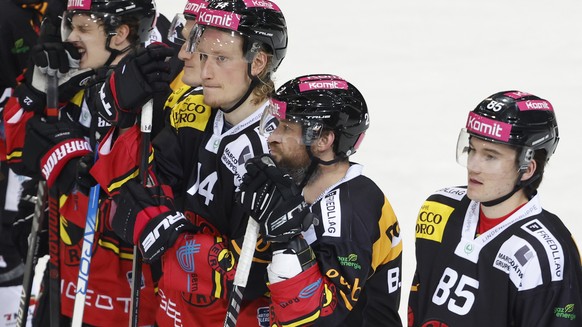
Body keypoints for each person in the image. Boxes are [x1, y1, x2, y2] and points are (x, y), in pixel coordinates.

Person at [93, 0, 288, 325]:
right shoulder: (195, 110)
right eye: (203, 55)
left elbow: (256, 275)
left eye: (221, 58)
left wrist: (174, 238)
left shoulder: (275, 148)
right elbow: (130, 191)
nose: (205, 70)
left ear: (258, 62)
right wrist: (125, 117)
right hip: (170, 311)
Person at [3, 0, 175, 325]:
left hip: (127, 304)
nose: (70, 38)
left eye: (83, 28)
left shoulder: (159, 86)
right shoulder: (72, 74)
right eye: (70, 25)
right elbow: (14, 144)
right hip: (63, 287)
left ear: (121, 35)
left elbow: (148, 194)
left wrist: (77, 163)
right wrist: (37, 90)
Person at [235, 74, 403, 326]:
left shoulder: (351, 211)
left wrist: (286, 241)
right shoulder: (294, 183)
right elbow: (250, 282)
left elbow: (319, 318)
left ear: (323, 140)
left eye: (287, 128)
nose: (272, 137)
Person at [407, 91, 582, 326]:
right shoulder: (439, 208)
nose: (473, 166)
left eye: (490, 156)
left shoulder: (546, 254)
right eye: (472, 150)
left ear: (527, 169)